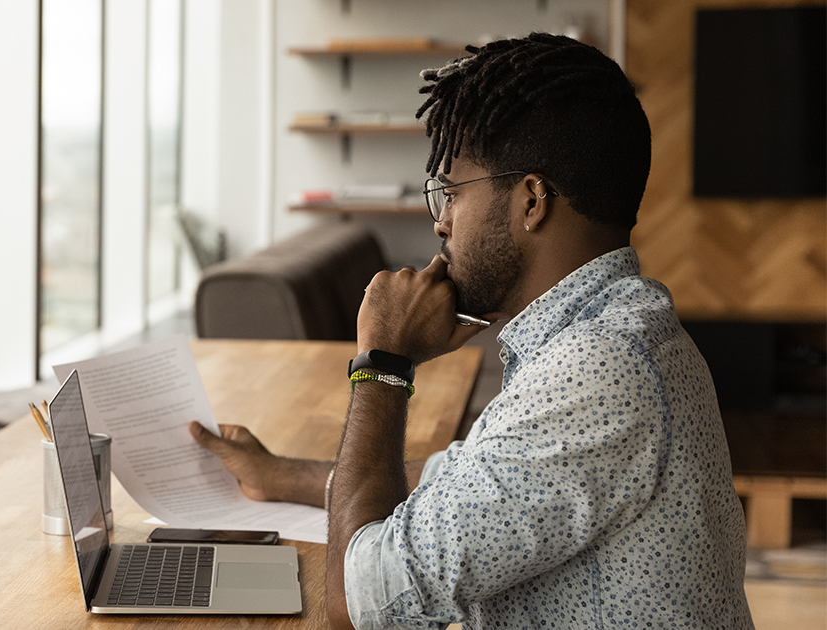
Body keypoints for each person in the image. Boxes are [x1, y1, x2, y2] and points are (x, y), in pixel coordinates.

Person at [188, 34, 753, 629]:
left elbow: (354, 605)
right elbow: (462, 491)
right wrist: (279, 475)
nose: (440, 221)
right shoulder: (618, 331)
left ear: (532, 201)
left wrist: (383, 363)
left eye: (451, 191)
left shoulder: (597, 370)